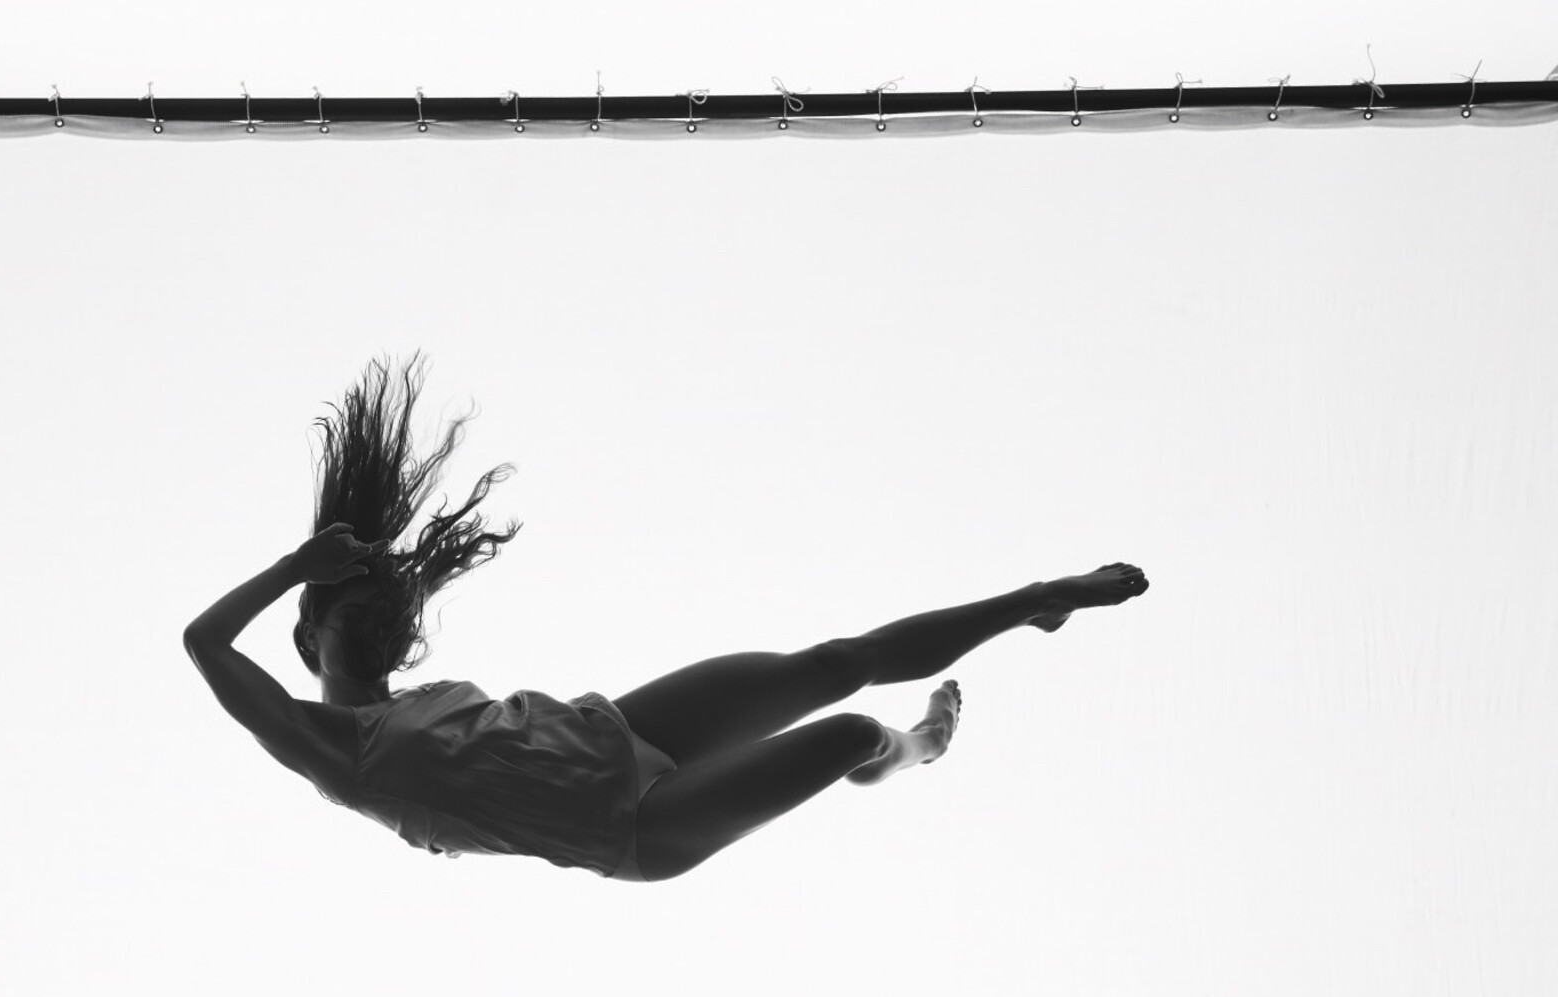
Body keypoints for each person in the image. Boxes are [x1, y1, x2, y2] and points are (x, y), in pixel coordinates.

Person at [183, 354, 1150, 883]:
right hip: (638, 825)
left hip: (622, 728)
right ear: (307, 636)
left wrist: (339, 571)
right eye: (335, 603)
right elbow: (204, 644)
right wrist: (293, 567)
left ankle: (1035, 603)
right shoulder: (325, 749)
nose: (357, 605)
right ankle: (915, 748)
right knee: (854, 729)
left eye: (365, 596)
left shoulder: (417, 696)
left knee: (835, 660)